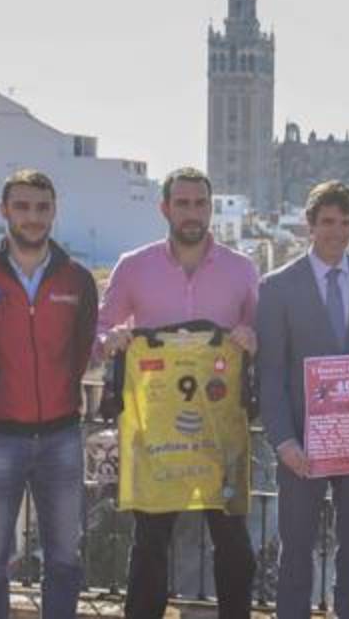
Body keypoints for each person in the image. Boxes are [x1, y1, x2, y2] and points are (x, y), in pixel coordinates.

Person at [96, 167, 259, 619]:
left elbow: (261, 334)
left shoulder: (242, 269)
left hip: (218, 434)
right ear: (164, 208)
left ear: (210, 208)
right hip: (157, 437)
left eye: (200, 203)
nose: (192, 212)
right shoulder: (133, 266)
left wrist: (251, 339)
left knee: (234, 549)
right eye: (182, 203)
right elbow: (101, 328)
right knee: (149, 548)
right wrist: (110, 342)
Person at [0, 169, 98, 619]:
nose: (33, 217)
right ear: (4, 210)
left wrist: (58, 399)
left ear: (54, 212)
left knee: (65, 557)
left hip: (61, 438)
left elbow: (81, 347)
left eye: (42, 207)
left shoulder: (78, 281)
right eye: (24, 206)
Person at [256, 180, 349, 619]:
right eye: (328, 222)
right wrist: (283, 442)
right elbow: (270, 371)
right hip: (300, 444)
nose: (337, 231)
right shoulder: (276, 286)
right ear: (309, 225)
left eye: (346, 222)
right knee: (296, 550)